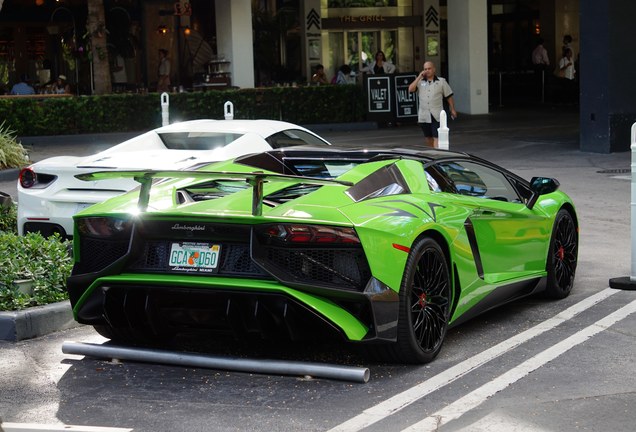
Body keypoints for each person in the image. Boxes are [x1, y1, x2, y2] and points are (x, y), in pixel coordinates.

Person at [408, 61, 457, 148]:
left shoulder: (441, 81)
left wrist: (452, 109)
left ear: (434, 69)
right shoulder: (420, 82)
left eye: (429, 68)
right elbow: (411, 89)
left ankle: (436, 155)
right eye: (425, 69)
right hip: (424, 115)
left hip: (437, 114)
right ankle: (432, 153)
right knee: (428, 138)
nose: (427, 71)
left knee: (436, 137)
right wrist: (419, 76)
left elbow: (449, 96)